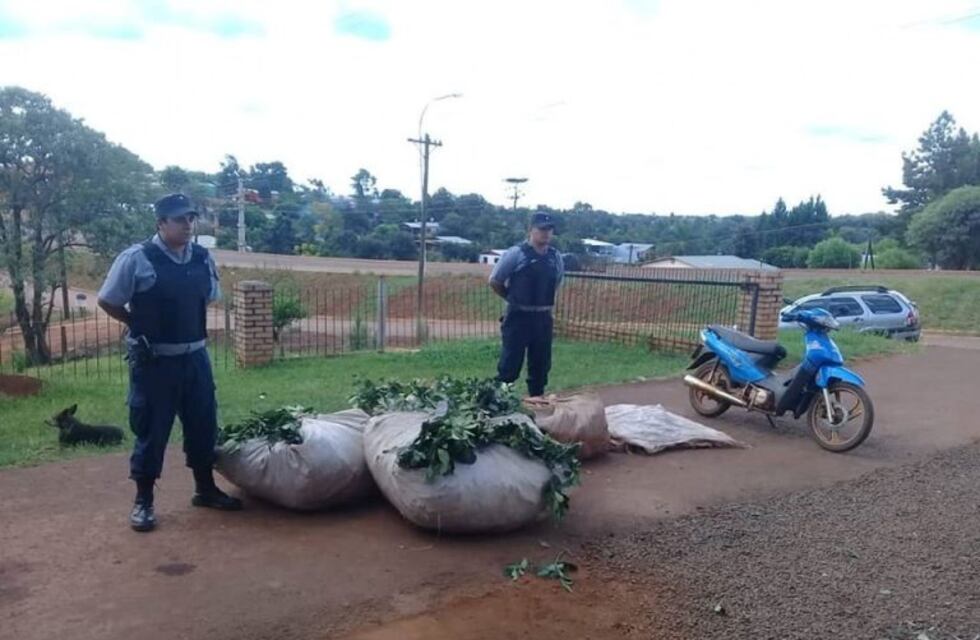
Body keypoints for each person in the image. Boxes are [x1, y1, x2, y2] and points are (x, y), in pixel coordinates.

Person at [98, 193, 242, 533]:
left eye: (191, 218)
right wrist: (136, 323)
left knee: (203, 425)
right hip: (155, 362)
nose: (188, 225)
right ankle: (143, 501)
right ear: (161, 223)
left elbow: (206, 298)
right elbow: (107, 299)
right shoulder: (137, 259)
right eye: (180, 219)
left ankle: (205, 490)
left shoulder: (202, 258)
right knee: (152, 430)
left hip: (195, 358)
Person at [489, 212, 564, 398]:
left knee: (540, 367)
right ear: (531, 230)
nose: (546, 233)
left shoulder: (555, 257)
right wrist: (512, 298)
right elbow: (495, 281)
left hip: (543, 318)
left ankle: (537, 403)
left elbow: (556, 282)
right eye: (542, 229)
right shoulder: (516, 254)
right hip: (518, 317)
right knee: (509, 366)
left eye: (549, 229)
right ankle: (498, 404)